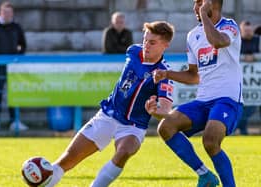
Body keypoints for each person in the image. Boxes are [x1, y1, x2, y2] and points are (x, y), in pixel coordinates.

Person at [45, 21, 174, 187]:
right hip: (108, 115)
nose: (146, 45)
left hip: (134, 126)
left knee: (124, 152)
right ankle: (44, 180)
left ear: (165, 45)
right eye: (144, 40)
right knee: (67, 160)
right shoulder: (133, 51)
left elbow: (165, 108)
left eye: (152, 42)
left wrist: (155, 111)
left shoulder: (164, 73)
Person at [146, 0, 243, 186]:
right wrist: (167, 74)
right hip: (203, 100)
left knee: (210, 139)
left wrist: (206, 17)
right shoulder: (193, 36)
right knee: (166, 127)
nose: (194, 7)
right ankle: (205, 175)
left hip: (228, 99)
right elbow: (193, 76)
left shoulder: (229, 26)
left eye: (198, 2)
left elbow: (218, 41)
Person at [0, 1, 28, 131]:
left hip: (13, 67)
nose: (7, 15)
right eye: (5, 13)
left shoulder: (16, 27)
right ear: (1, 13)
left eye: (10, 13)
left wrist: (16, 57)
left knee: (13, 94)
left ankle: (14, 121)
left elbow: (23, 45)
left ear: (12, 14)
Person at [238, 20, 261, 135]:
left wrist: (254, 57)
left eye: (249, 30)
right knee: (244, 108)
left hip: (257, 83)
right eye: (245, 31)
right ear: (241, 31)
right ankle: (243, 130)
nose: (248, 33)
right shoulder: (237, 41)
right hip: (242, 83)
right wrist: (244, 58)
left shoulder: (258, 41)